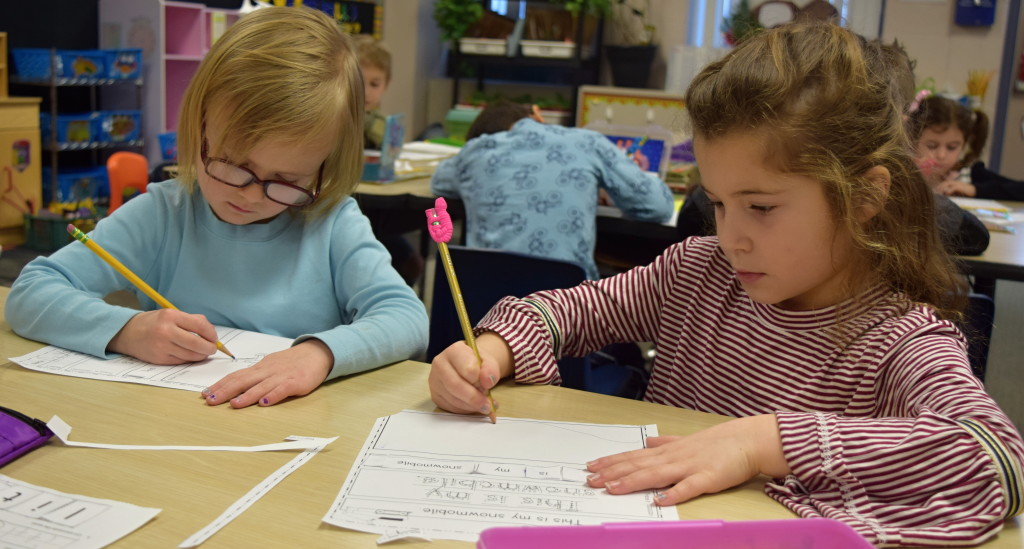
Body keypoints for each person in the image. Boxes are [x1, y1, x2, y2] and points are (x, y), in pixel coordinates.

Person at [427, 22, 1024, 546]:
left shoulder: (899, 339)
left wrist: (761, 444)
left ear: (864, 197)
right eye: (717, 202)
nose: (731, 236)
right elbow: (563, 314)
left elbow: (996, 459)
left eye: (761, 207)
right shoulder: (699, 272)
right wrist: (492, 352)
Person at [4, 7, 428, 408]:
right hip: (173, 427)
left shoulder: (331, 221)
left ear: (324, 166)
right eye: (231, 164)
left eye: (287, 181)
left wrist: (320, 353)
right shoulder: (164, 214)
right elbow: (31, 292)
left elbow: (407, 319)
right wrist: (126, 330)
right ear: (199, 125)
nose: (249, 194)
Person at [430, 100, 675, 280]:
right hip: (567, 311)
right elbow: (658, 206)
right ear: (537, 112)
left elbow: (439, 182)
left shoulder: (476, 152)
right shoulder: (586, 141)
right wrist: (606, 186)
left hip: (485, 309)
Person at [909, 93, 1024, 200]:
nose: (941, 155)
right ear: (912, 140)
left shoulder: (969, 173)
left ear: (964, 145)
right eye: (932, 146)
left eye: (952, 147)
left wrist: (975, 189)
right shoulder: (904, 171)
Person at [354, 34, 391, 151]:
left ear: (386, 84)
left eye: (374, 84)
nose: (366, 92)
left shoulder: (383, 122)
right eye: (358, 83)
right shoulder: (334, 121)